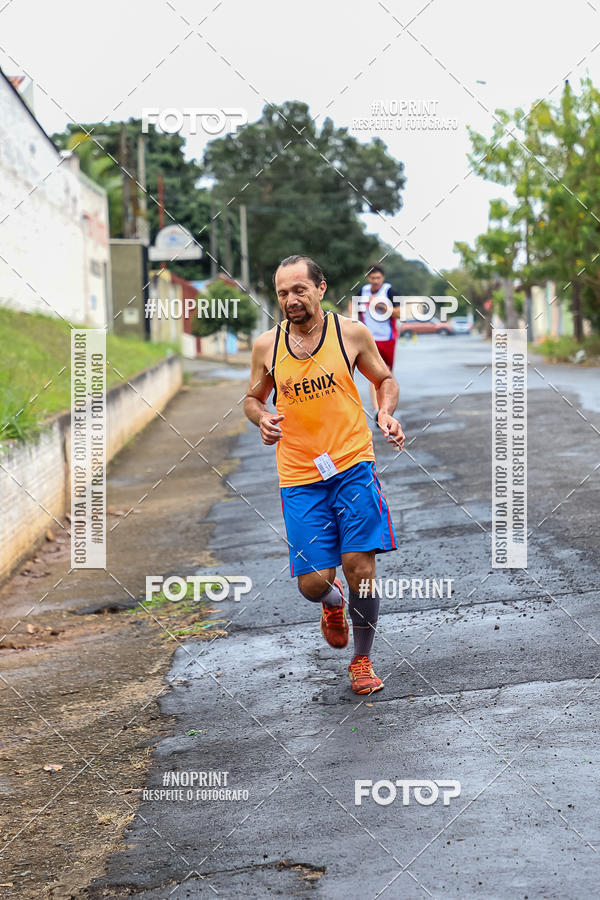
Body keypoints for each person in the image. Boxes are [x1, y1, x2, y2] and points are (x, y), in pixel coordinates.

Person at [244, 255, 405, 694]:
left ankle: (362, 659)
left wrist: (385, 412)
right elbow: (252, 398)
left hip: (353, 464)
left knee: (360, 568)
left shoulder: (350, 333)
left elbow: (384, 379)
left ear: (320, 288)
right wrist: (262, 417)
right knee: (314, 583)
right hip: (299, 475)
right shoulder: (267, 346)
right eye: (282, 293)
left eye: (299, 289)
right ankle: (332, 602)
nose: (291, 299)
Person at [351, 264, 400, 413]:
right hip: (368, 339)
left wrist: (380, 306)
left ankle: (387, 408)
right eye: (372, 278)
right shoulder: (363, 291)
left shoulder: (389, 291)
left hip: (387, 338)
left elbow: (399, 313)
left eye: (378, 278)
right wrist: (353, 320)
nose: (376, 281)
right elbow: (352, 304)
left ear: (383, 278)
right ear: (368, 278)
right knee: (374, 375)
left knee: (387, 375)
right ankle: (378, 409)